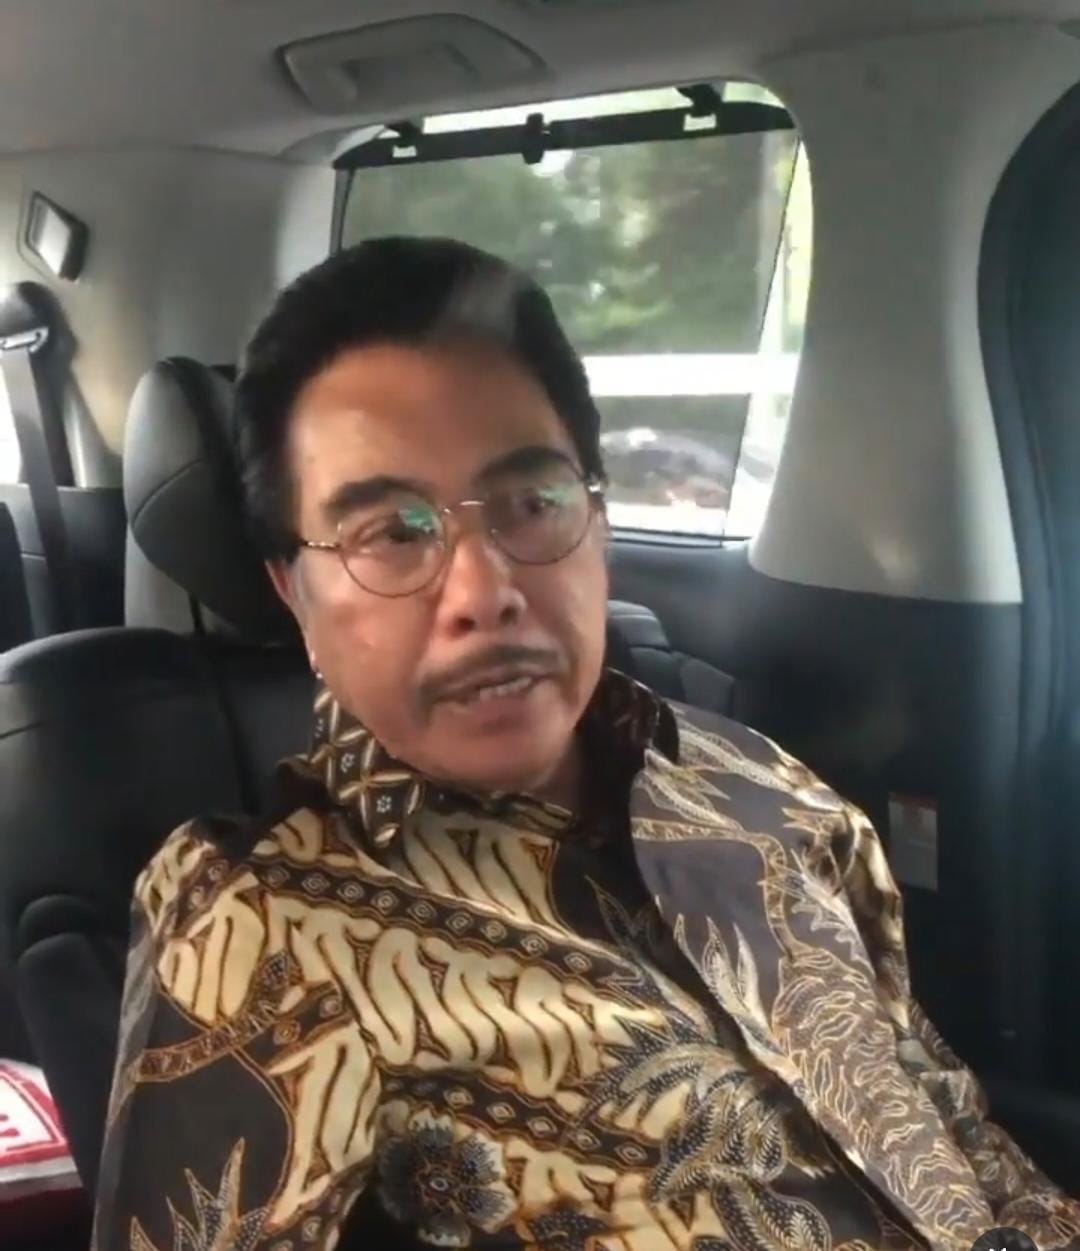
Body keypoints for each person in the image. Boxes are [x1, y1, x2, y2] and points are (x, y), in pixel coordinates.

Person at [92, 237, 1080, 1251]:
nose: (483, 593)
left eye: (532, 504)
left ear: (598, 520)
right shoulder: (261, 926)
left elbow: (944, 1110)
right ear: (293, 591)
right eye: (392, 532)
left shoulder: (761, 783)